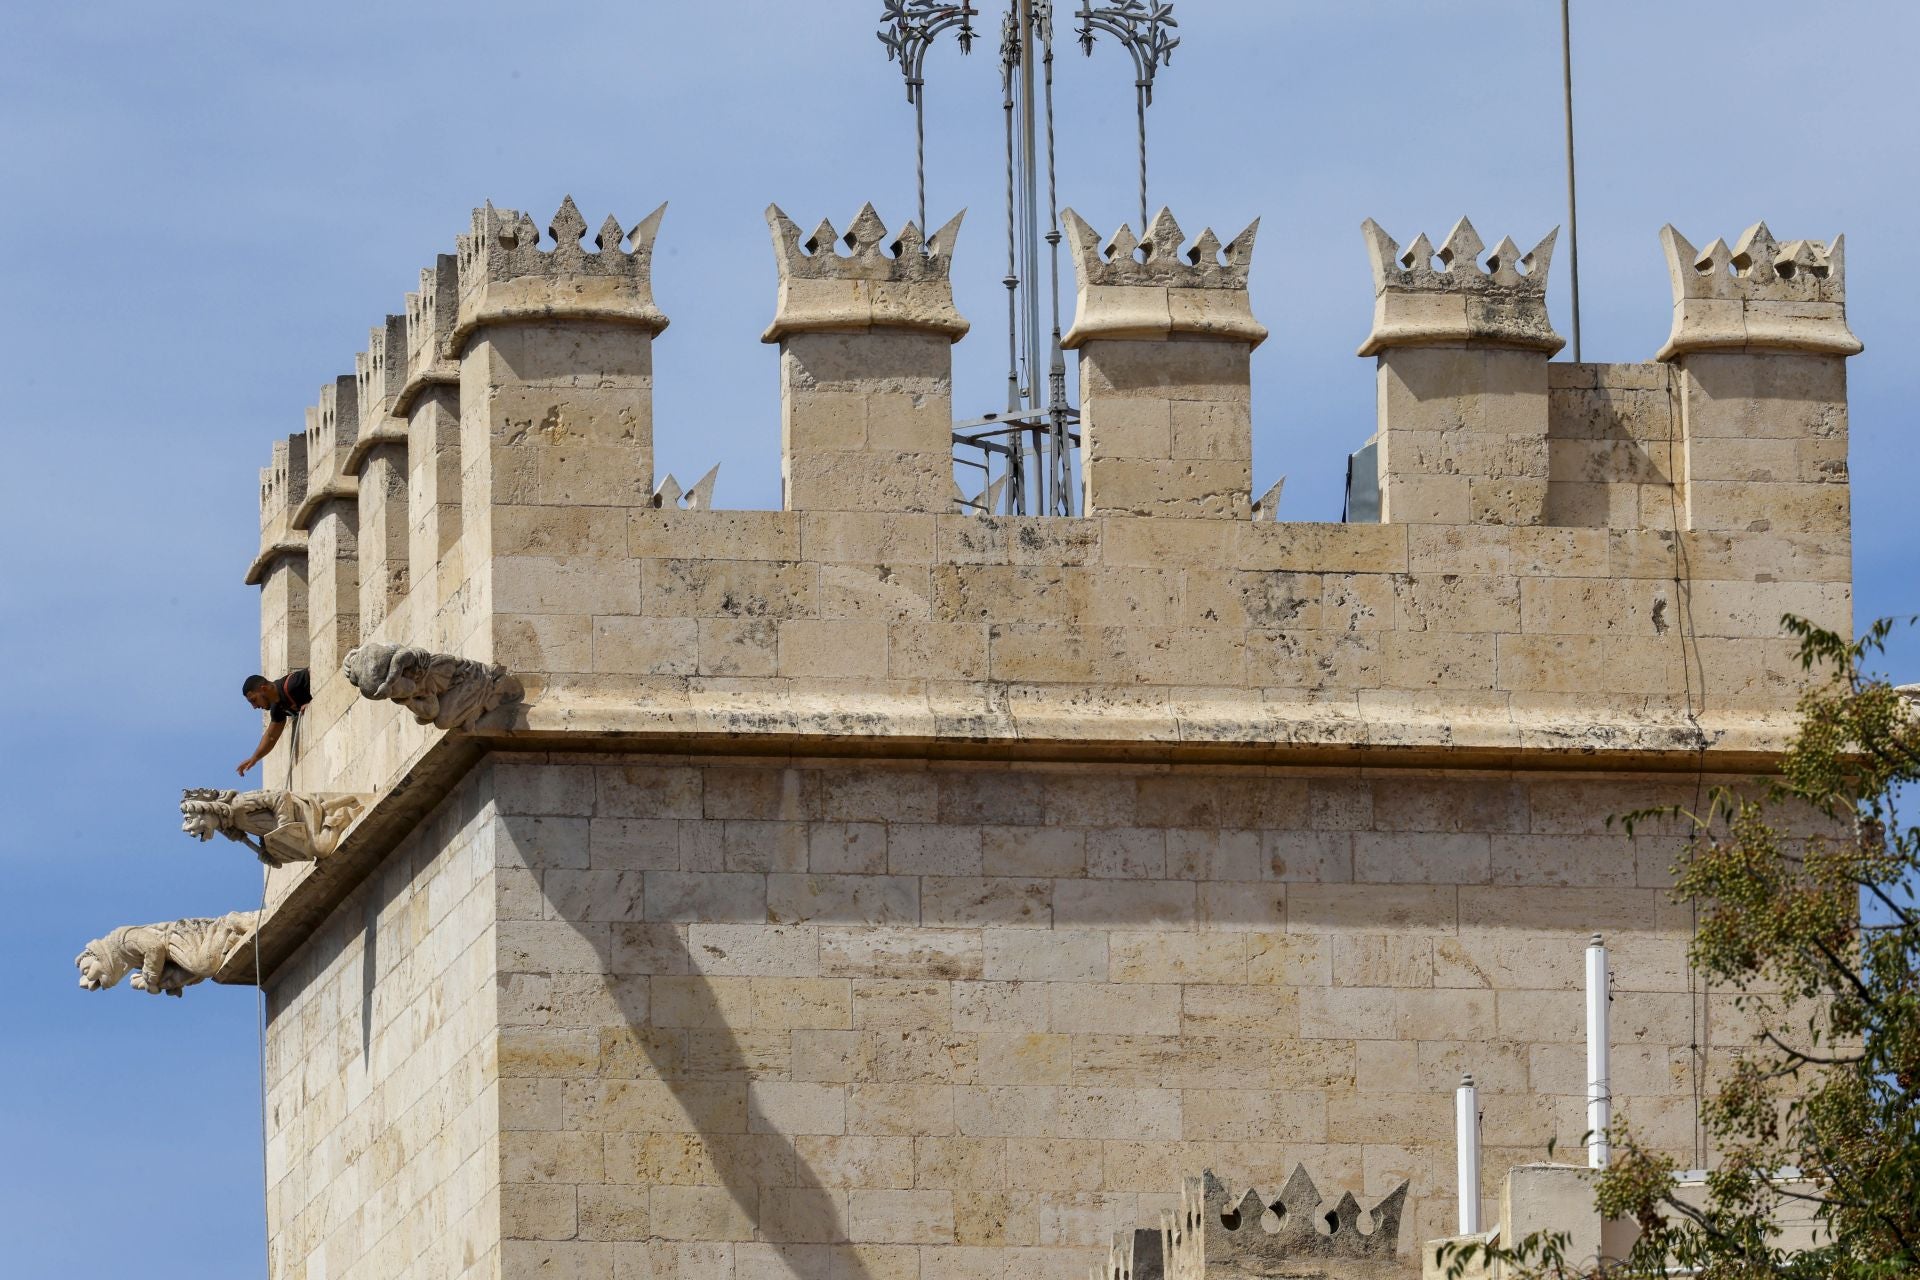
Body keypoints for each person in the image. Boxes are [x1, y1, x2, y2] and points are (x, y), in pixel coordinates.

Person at [236, 669, 311, 776]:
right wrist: (254, 758)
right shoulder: (277, 708)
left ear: (264, 689)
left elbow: (317, 673)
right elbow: (271, 736)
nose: (254, 706)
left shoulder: (293, 683)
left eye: (254, 700)